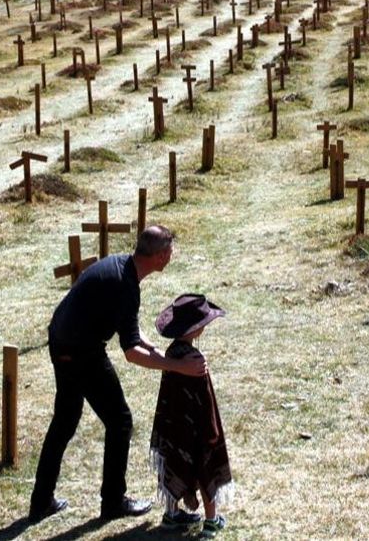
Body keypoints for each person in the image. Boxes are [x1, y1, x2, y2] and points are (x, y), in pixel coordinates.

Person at [29, 226, 207, 524]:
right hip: (80, 350)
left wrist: (162, 354)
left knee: (65, 420)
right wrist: (177, 367)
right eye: (171, 251)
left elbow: (134, 337)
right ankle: (112, 502)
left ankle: (41, 501)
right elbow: (131, 353)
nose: (172, 256)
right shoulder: (126, 285)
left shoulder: (122, 267)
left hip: (60, 339)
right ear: (161, 255)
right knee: (120, 421)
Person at [149, 294, 234, 537]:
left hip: (174, 426)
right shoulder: (196, 361)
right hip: (197, 428)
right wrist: (212, 431)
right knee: (204, 463)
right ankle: (211, 520)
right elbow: (206, 402)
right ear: (196, 329)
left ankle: (172, 513)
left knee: (174, 460)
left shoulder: (171, 353)